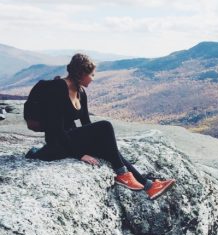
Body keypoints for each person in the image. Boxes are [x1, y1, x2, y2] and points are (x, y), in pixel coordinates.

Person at [26, 53, 175, 200]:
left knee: (111, 150)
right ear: (81, 73)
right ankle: (122, 175)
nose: (93, 78)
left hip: (71, 139)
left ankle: (149, 186)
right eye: (92, 74)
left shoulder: (81, 93)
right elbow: (56, 128)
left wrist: (99, 143)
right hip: (57, 143)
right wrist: (79, 154)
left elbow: (86, 124)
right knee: (105, 125)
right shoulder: (58, 88)